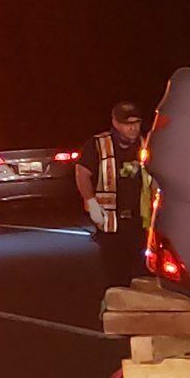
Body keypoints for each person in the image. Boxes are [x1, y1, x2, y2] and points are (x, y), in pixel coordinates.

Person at [75, 101, 147, 288]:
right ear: (115, 123)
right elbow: (82, 172)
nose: (133, 128)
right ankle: (115, 310)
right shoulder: (98, 144)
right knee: (116, 275)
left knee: (143, 274)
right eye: (127, 123)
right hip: (110, 223)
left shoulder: (146, 143)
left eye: (136, 122)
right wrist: (91, 202)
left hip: (140, 221)